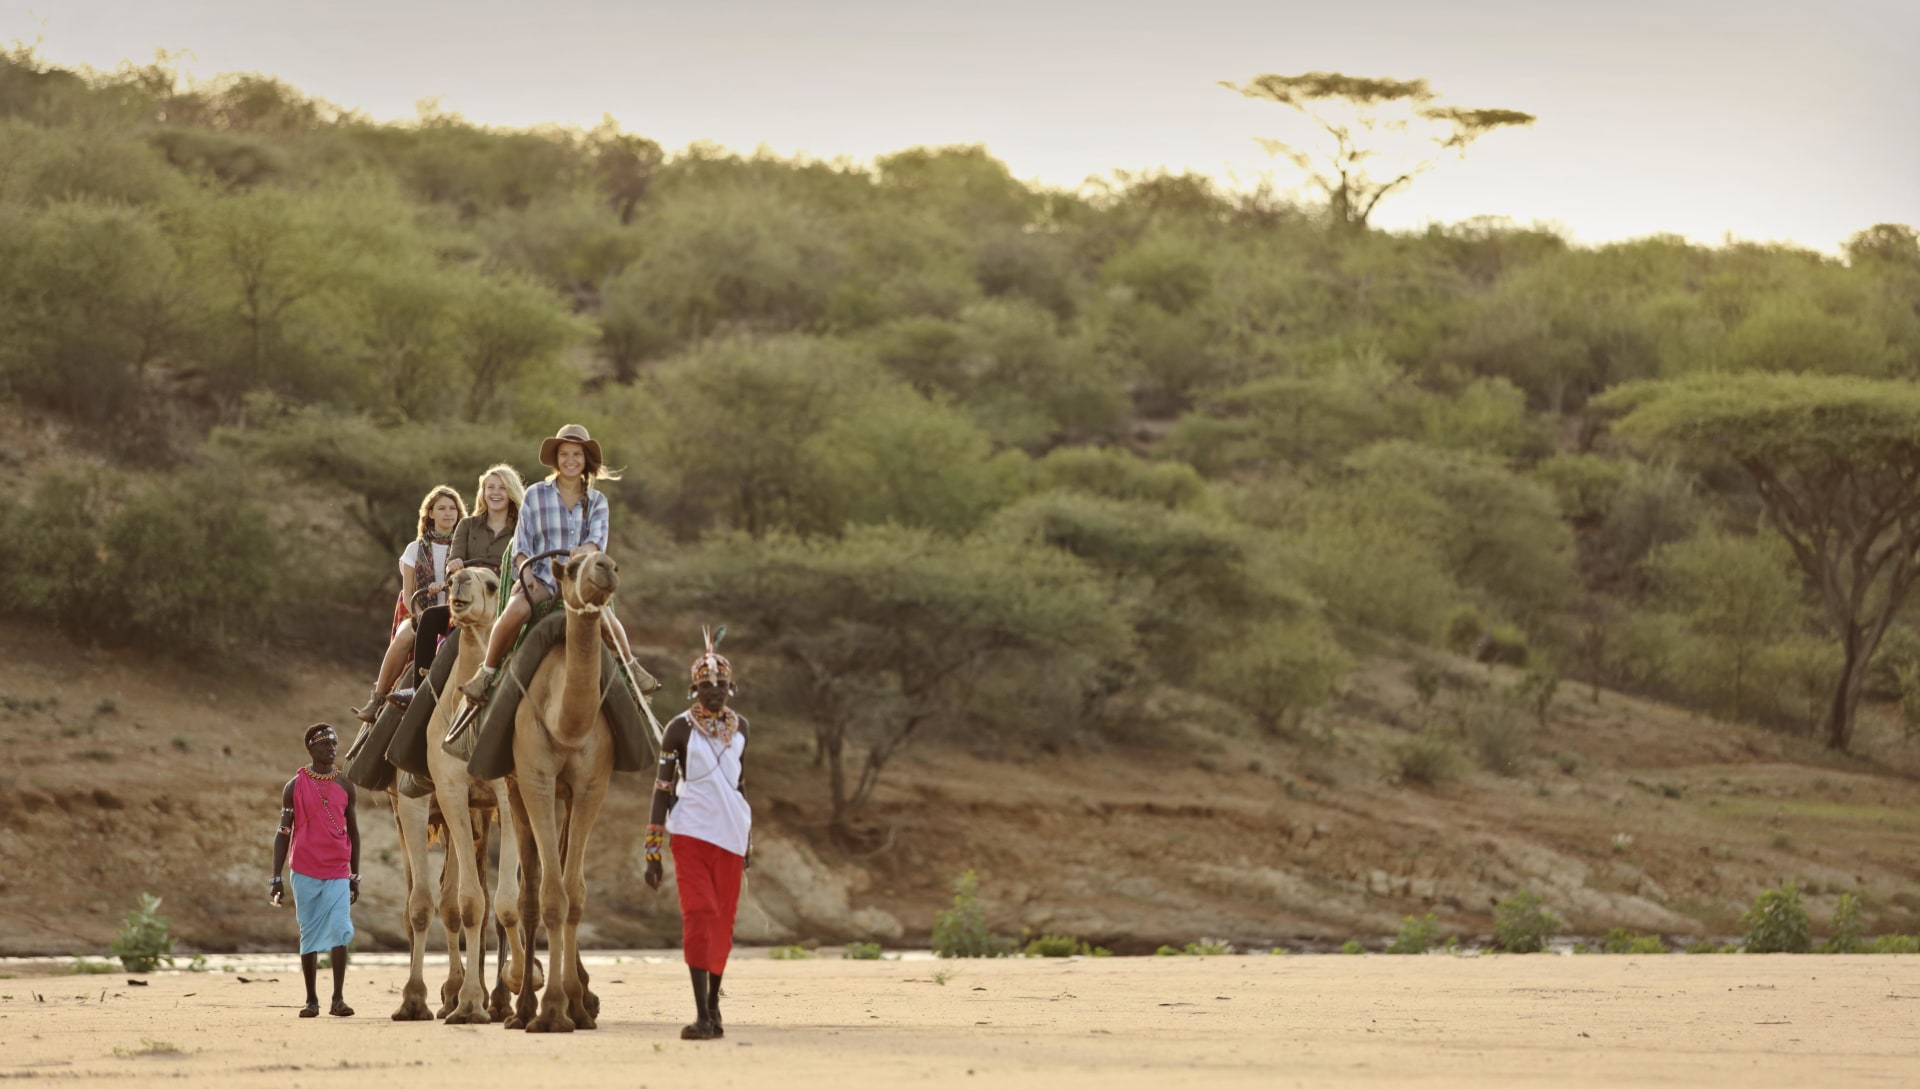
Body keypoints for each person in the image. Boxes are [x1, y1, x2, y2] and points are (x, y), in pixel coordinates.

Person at [457, 424, 653, 705]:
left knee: (608, 620)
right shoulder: (535, 495)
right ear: (556, 458)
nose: (570, 460)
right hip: (542, 579)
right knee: (515, 611)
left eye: (576, 454)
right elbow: (522, 544)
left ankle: (631, 668)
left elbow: (597, 542)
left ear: (586, 460)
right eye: (564, 454)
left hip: (580, 583)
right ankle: (487, 672)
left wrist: (583, 551)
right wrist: (525, 571)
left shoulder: (597, 501)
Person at [645, 628, 751, 1041]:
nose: (714, 692)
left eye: (720, 685)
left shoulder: (741, 728)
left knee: (723, 923)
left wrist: (749, 840)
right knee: (700, 914)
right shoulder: (678, 730)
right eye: (706, 685)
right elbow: (662, 790)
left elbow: (741, 786)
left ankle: (714, 1010)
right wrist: (651, 851)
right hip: (689, 833)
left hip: (731, 836)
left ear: (731, 687)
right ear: (694, 688)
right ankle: (701, 1013)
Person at [387, 464, 526, 709]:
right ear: (483, 492)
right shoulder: (467, 525)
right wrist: (455, 564)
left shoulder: (522, 530)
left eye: (502, 488)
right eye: (489, 487)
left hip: (501, 602)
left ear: (511, 492)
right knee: (430, 618)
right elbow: (453, 561)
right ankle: (418, 689)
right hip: (470, 602)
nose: (495, 492)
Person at [269, 723, 362, 1018]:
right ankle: (311, 1000)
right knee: (308, 933)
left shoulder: (346, 784)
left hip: (337, 869)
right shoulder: (293, 787)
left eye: (334, 743)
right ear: (311, 749)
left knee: (340, 929)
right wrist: (276, 877)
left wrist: (354, 876)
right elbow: (283, 832)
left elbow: (355, 833)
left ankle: (338, 999)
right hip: (305, 869)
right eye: (325, 744)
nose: (332, 748)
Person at [350, 484, 464, 723]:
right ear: (430, 513)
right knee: (404, 637)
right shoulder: (415, 549)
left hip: (457, 615)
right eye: (441, 508)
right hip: (420, 612)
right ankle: (377, 698)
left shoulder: (464, 548)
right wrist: (422, 616)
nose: (448, 513)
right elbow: (409, 592)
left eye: (453, 508)